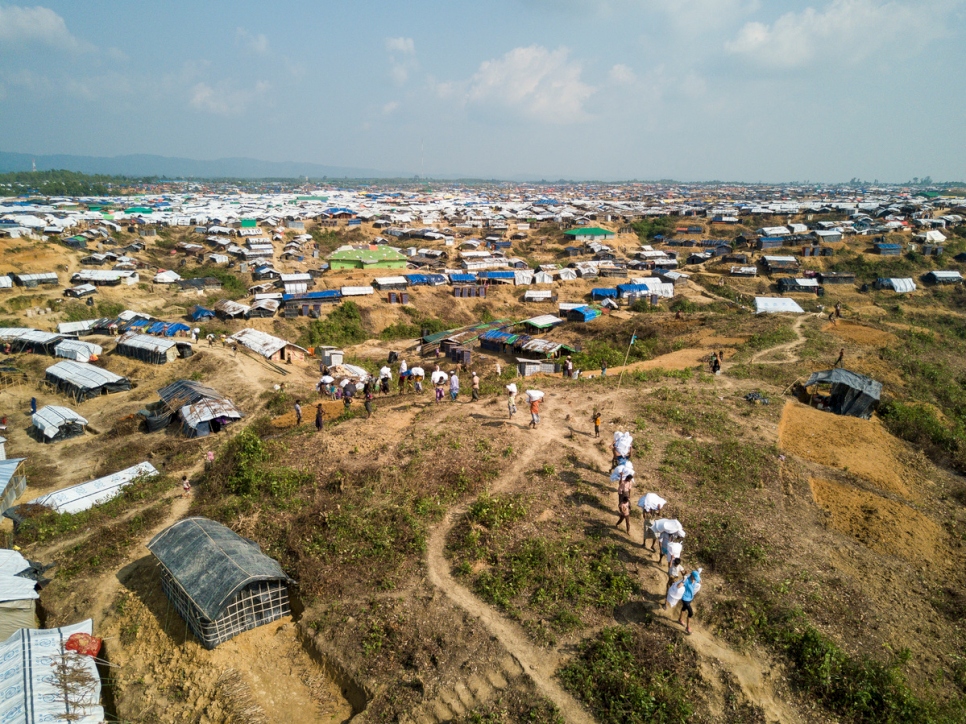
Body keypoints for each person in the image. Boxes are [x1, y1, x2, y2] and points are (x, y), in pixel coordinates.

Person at [677, 570, 702, 634]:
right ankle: (688, 628)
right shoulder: (687, 580)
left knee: (684, 608)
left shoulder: (695, 580)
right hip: (685, 598)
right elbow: (678, 586)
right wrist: (683, 581)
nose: (696, 579)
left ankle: (680, 620)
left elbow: (700, 581)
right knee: (691, 613)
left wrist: (699, 578)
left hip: (690, 598)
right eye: (695, 578)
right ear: (692, 576)